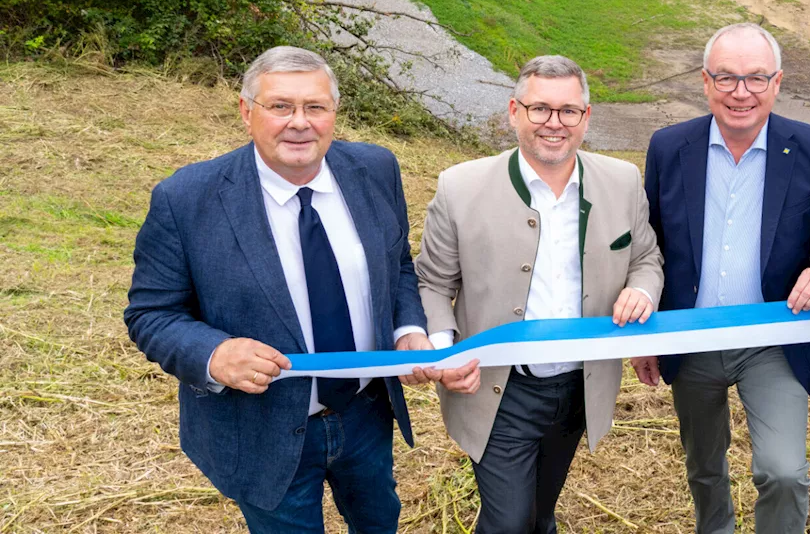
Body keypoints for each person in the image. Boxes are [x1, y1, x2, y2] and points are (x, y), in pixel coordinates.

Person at [124, 46, 436, 533]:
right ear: (247, 112)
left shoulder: (376, 169)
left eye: (315, 107)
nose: (299, 122)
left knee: (379, 521)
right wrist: (214, 354)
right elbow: (151, 314)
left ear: (334, 113)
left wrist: (408, 328)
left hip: (365, 414)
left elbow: (396, 265)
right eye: (281, 106)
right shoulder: (185, 199)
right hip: (260, 427)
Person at [413, 55, 664, 534]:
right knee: (508, 523)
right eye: (539, 109)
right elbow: (433, 282)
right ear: (514, 111)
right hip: (499, 388)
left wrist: (641, 291)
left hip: (579, 387)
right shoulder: (459, 187)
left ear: (586, 117)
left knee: (540, 511)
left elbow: (646, 259)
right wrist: (446, 350)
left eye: (569, 110)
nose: (555, 123)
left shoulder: (623, 181)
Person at [633, 23, 810, 534]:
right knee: (705, 466)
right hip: (691, 335)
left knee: (783, 471)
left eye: (755, 78)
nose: (741, 92)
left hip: (772, 337)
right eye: (726, 78)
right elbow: (652, 243)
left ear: (777, 83)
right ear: (705, 83)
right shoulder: (668, 147)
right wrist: (649, 332)